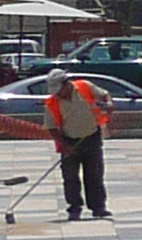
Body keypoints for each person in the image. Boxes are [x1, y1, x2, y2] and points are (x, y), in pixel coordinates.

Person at [48, 73, 112, 221]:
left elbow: (104, 95)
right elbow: (51, 128)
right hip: (69, 141)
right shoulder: (52, 102)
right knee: (70, 177)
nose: (58, 93)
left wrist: (109, 104)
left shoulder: (85, 86)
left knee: (94, 175)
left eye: (60, 89)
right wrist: (65, 146)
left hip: (91, 138)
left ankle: (98, 208)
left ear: (66, 84)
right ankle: (74, 208)